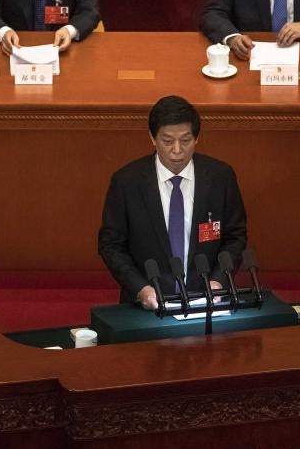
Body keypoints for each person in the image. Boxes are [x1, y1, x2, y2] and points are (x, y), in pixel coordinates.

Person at [98, 95, 248, 308]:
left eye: (185, 140)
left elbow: (235, 236)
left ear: (197, 138)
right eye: (167, 141)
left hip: (207, 303)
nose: (177, 150)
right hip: (148, 305)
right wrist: (141, 288)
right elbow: (111, 245)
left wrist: (217, 282)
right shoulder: (126, 182)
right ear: (152, 138)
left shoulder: (219, 177)